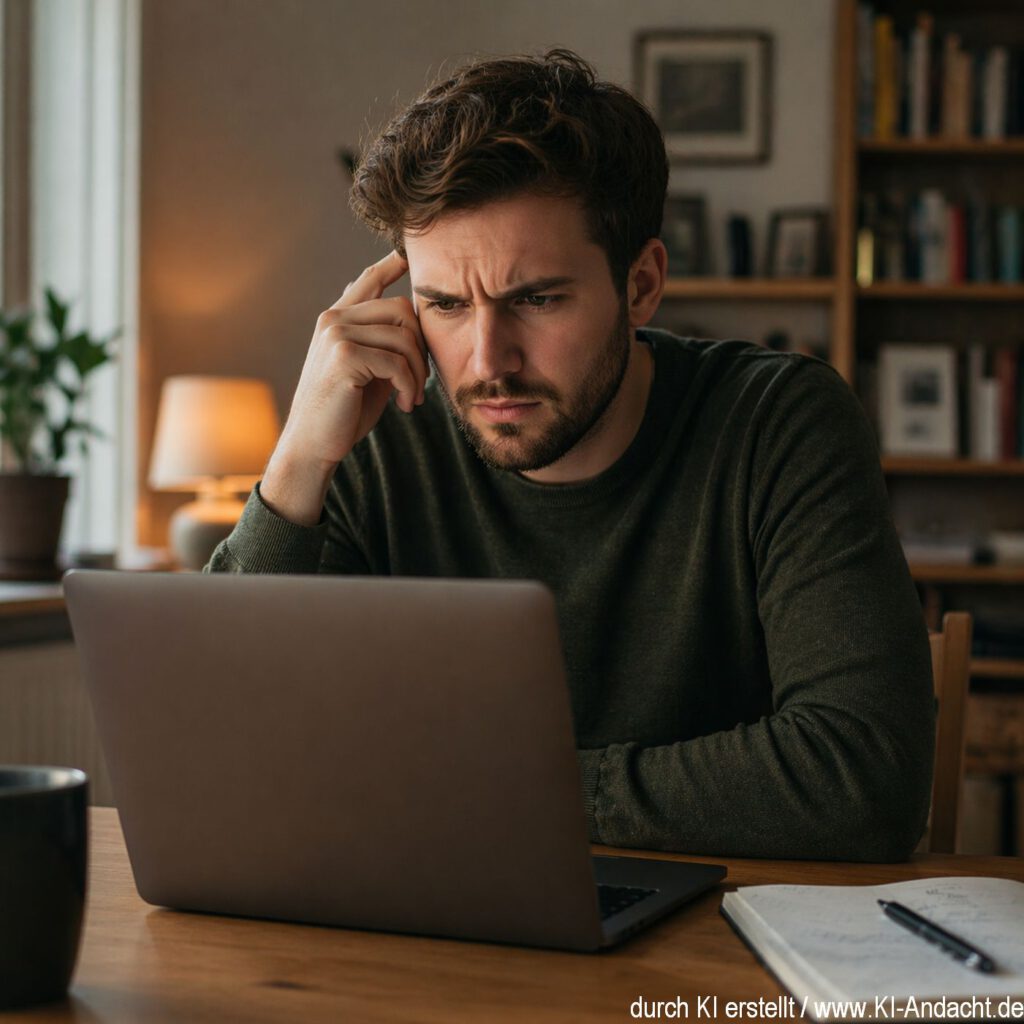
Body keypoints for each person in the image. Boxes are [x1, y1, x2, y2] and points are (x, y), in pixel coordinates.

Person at [206, 48, 935, 861]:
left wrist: (520, 790)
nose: (487, 361)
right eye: (445, 305)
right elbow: (219, 753)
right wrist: (298, 461)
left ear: (642, 284)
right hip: (427, 910)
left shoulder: (777, 423)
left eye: (537, 299)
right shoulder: (375, 437)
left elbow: (866, 778)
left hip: (710, 928)